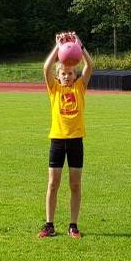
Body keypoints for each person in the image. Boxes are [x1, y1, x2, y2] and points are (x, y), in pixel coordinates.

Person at [38, 31, 94, 239]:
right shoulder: (54, 89)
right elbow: (46, 67)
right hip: (58, 140)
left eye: (71, 73)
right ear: (58, 75)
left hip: (76, 141)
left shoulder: (80, 87)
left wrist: (80, 45)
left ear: (75, 75)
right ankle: (49, 224)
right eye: (64, 73)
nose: (68, 76)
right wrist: (58, 46)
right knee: (53, 183)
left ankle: (73, 225)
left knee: (75, 184)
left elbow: (90, 66)